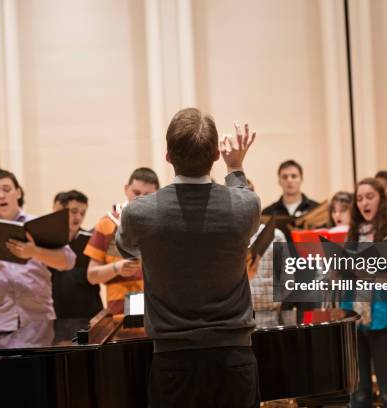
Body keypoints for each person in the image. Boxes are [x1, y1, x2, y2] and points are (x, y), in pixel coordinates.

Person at [117, 108, 261, 407]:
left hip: (172, 360)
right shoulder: (246, 205)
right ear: (215, 156)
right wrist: (236, 168)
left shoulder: (140, 212)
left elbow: (125, 249)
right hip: (234, 357)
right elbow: (241, 195)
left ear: (168, 155)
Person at [0, 169, 76, 331]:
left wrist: (34, 252)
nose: (1, 195)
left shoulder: (39, 225)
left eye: (6, 189)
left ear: (18, 193)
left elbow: (69, 261)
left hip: (39, 322)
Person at [342, 178, 387, 408]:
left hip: (383, 320)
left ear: (381, 200)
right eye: (359, 198)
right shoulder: (351, 237)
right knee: (359, 393)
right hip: (354, 320)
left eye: (369, 197)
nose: (364, 203)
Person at [84, 167, 159, 314]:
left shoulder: (163, 223)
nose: (140, 199)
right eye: (136, 193)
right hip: (120, 311)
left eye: (147, 195)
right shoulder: (107, 223)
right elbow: (91, 276)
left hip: (158, 309)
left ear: (157, 194)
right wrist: (116, 268)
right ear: (126, 189)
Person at [51, 190, 103, 319]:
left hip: (89, 315)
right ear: (61, 211)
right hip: (57, 317)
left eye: (82, 213)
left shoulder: (91, 240)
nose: (78, 217)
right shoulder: (48, 241)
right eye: (73, 211)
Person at [245, 179, 288, 327]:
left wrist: (270, 295)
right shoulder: (226, 239)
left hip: (269, 317)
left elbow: (287, 280)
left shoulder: (276, 236)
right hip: (236, 318)